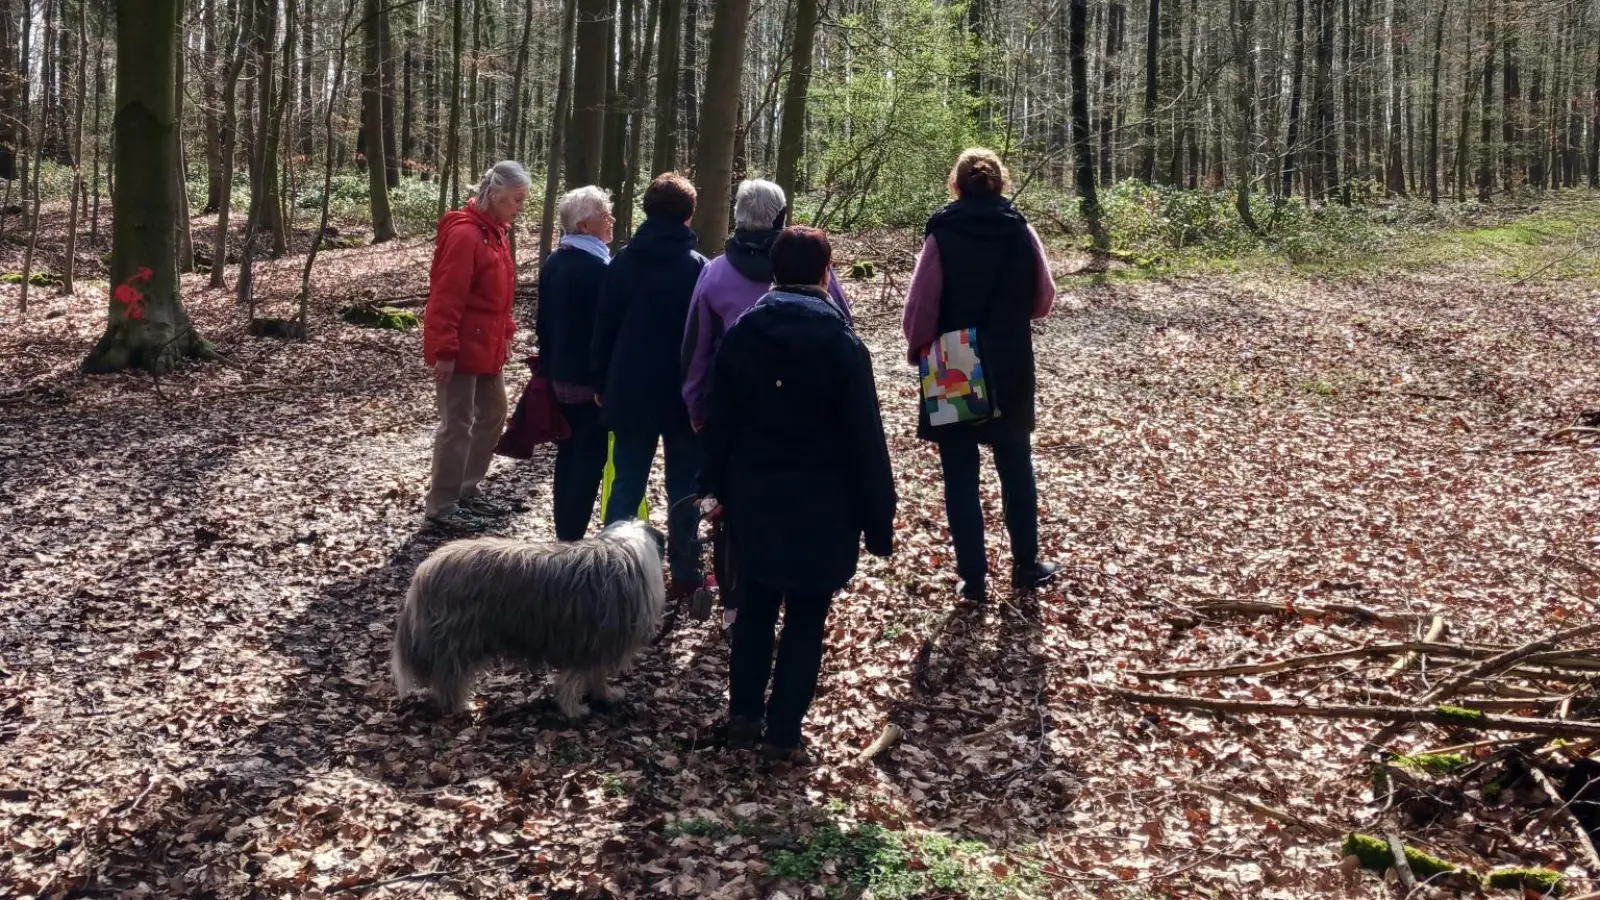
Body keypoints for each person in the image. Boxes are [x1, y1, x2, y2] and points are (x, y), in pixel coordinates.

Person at [700, 226, 897, 764]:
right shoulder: (842, 345)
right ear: (825, 274)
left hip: (756, 495)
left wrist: (712, 486)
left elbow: (720, 421)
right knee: (807, 615)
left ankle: (744, 716)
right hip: (824, 504)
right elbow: (865, 440)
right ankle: (783, 735)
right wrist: (879, 520)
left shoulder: (744, 333)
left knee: (757, 606)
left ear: (776, 273)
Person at [901, 148, 1057, 605]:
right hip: (1008, 357)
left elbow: (921, 307)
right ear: (999, 181)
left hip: (954, 359)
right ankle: (1027, 566)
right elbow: (1043, 299)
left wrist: (918, 348)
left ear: (956, 183)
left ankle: (972, 579)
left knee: (960, 473)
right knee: (1015, 463)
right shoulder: (1019, 228)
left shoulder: (942, 232)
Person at [591, 173, 708, 598]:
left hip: (631, 388)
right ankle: (686, 573)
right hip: (681, 394)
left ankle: (613, 572)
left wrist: (601, 379)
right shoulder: (698, 268)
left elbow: (604, 326)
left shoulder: (623, 261)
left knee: (626, 483)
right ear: (688, 215)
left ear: (646, 212)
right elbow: (706, 338)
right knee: (685, 486)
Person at [680, 179, 851, 431]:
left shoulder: (714, 273)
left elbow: (697, 346)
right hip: (810, 402)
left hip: (736, 405)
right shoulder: (813, 266)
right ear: (780, 216)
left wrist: (695, 404)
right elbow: (844, 323)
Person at [421, 161, 530, 532]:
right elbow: (446, 296)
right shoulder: (467, 234)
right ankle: (441, 507)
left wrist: (507, 331)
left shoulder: (495, 233)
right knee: (457, 425)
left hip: (488, 345)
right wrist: (444, 351)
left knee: (494, 414)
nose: (519, 206)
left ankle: (466, 488)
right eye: (516, 199)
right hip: (460, 347)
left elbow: (497, 295)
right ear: (497, 194)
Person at [535, 185, 615, 541]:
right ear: (585, 226)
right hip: (587, 384)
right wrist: (602, 382)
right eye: (605, 215)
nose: (611, 220)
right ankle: (571, 539)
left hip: (561, 376)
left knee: (569, 457)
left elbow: (542, 325)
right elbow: (601, 333)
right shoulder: (597, 269)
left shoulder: (555, 260)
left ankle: (566, 533)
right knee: (586, 459)